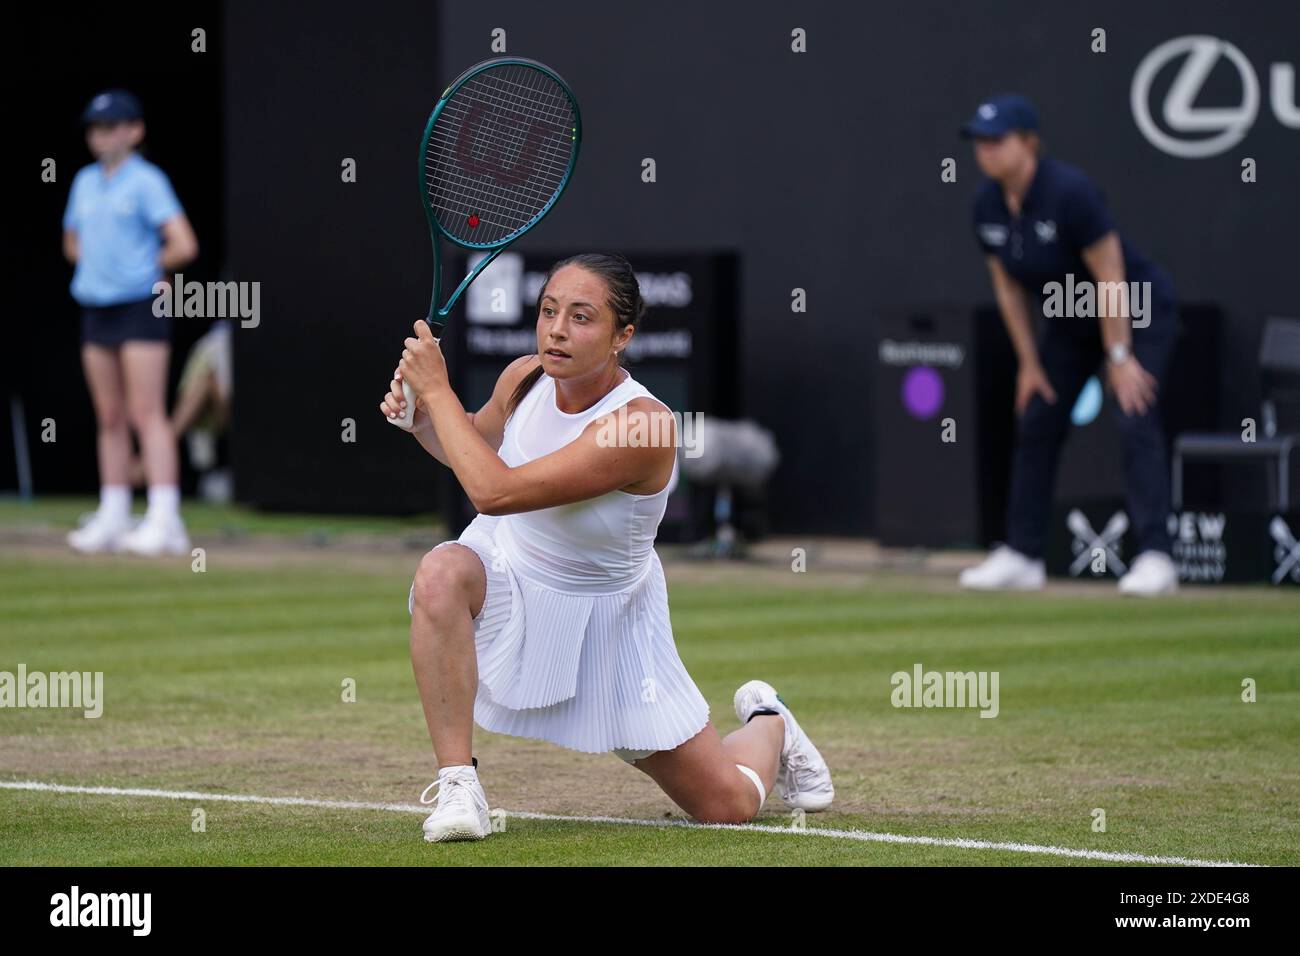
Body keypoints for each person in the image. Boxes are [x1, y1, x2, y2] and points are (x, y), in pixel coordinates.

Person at [381, 253, 833, 841]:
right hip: (511, 574)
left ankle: (771, 720)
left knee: (727, 805)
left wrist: (435, 390)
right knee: (441, 571)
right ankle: (458, 785)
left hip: (610, 622)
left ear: (624, 335)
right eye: (548, 311)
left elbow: (494, 491)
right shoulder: (522, 379)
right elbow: (471, 449)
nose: (557, 329)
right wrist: (423, 420)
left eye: (581, 317)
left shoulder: (643, 426)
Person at [956, 94, 1180, 596]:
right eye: (979, 142)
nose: (986, 151)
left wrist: (1120, 357)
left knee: (1134, 411)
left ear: (1029, 143)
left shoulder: (1071, 193)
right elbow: (1008, 287)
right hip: (1070, 316)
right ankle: (1023, 553)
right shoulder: (985, 204)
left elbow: (1110, 274)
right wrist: (1029, 363)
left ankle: (1156, 556)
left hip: (1135, 307)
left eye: (997, 140)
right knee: (1037, 415)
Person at [63, 89, 199, 556]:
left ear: (134, 131)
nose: (101, 136)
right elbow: (72, 242)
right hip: (96, 307)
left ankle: (165, 519)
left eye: (111, 127)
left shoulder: (148, 181)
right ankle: (114, 513)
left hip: (141, 305)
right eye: (95, 128)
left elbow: (183, 244)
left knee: (147, 413)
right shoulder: (83, 182)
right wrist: (98, 267)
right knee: (109, 415)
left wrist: (145, 269)